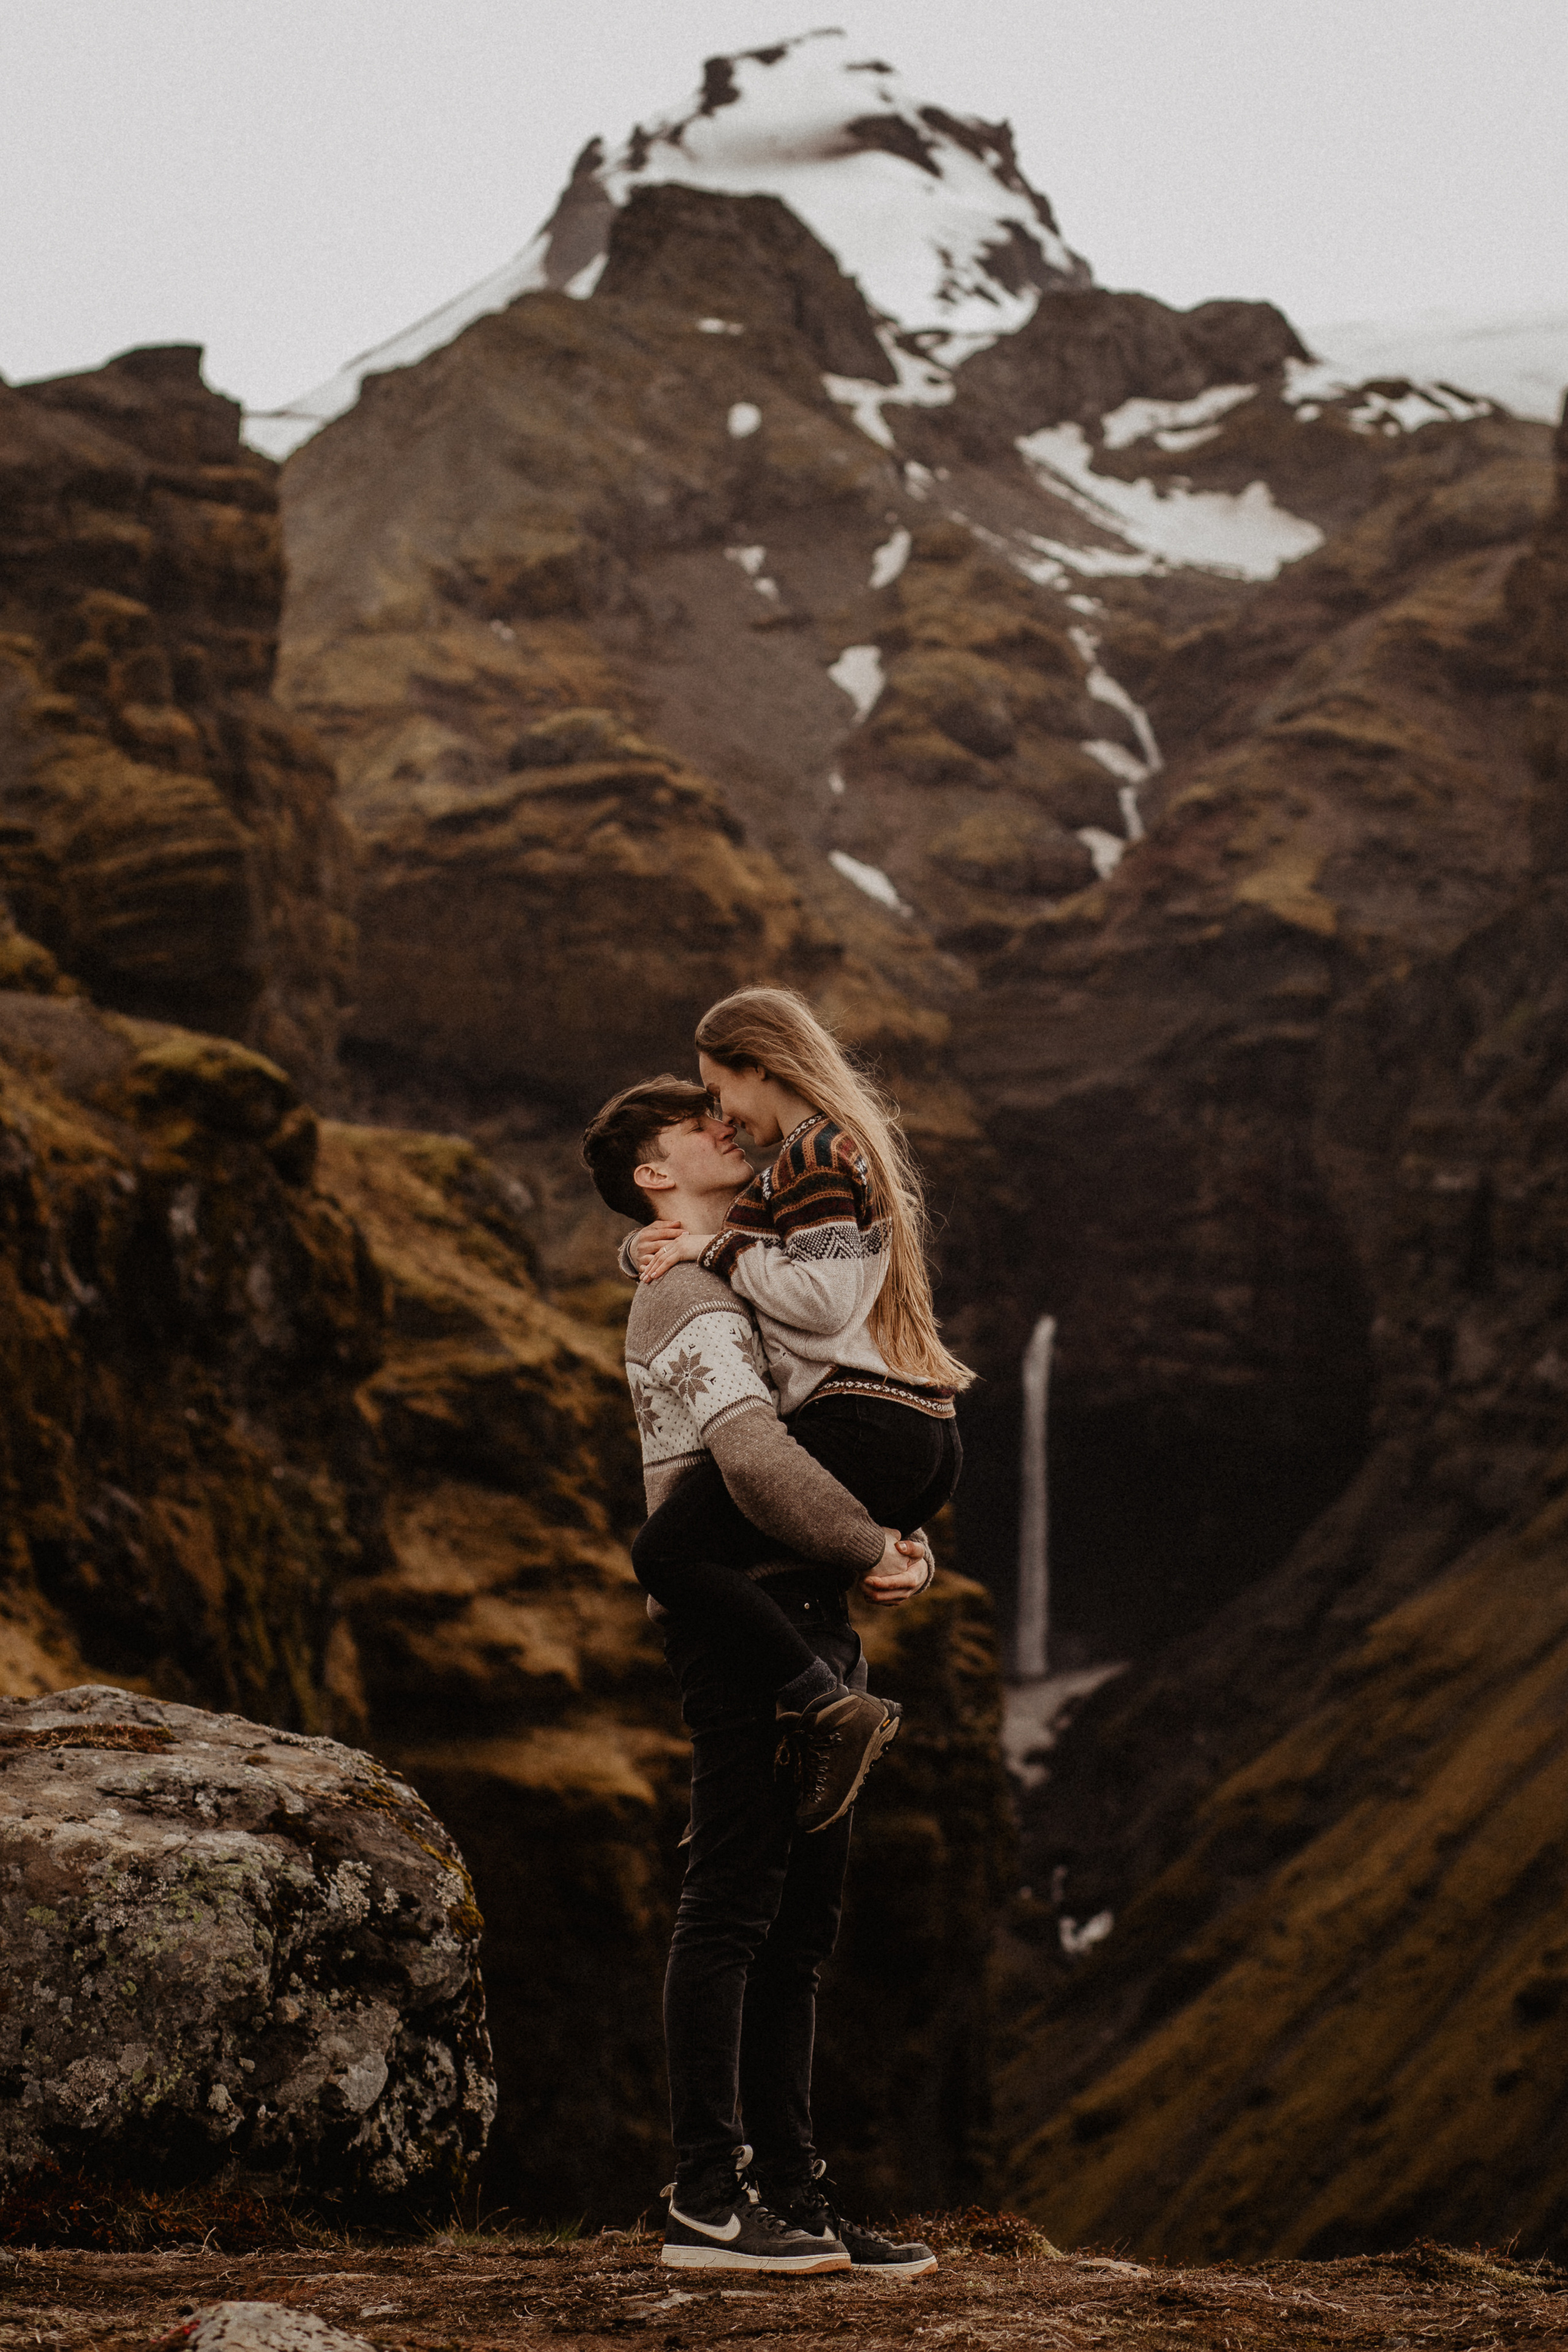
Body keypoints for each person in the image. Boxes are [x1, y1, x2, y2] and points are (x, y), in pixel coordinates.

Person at [581, 1076, 939, 2278]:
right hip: (741, 1628)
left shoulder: (734, 1270)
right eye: (701, 1127)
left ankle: (788, 2193)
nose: (728, 1131)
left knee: (798, 1928)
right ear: (650, 1173)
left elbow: (832, 1436)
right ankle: (703, 2197)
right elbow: (746, 1458)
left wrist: (903, 1547)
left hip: (811, 1612)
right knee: (732, 1904)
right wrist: (871, 1544)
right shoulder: (678, 1294)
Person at [625, 988, 970, 1822]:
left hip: (866, 1419)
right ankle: (824, 1712)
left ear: (762, 1066)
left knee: (668, 1554)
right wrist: (644, 1246)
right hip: (914, 1433)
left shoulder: (814, 1154)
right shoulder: (816, 1157)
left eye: (721, 1092)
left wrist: (712, 1245)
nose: (723, 1116)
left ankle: (823, 1705)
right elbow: (732, 1247)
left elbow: (820, 1301)